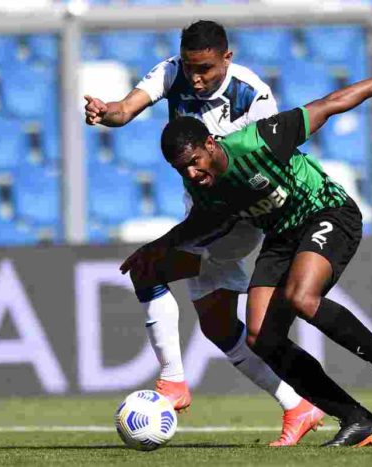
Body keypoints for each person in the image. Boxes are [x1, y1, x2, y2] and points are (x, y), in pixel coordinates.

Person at [120, 43, 372, 447]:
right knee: (260, 337)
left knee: (302, 298)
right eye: (181, 169)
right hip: (282, 235)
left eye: (195, 161)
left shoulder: (260, 141)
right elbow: (197, 226)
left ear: (212, 144)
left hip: (327, 212)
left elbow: (330, 103)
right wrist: (155, 249)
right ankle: (355, 418)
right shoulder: (203, 190)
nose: (192, 172)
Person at [84, 20, 323, 446]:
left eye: (206, 69)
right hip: (203, 212)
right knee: (217, 326)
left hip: (239, 215)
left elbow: (265, 164)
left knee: (148, 269)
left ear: (227, 59)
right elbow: (126, 107)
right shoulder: (173, 72)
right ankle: (298, 407)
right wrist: (107, 114)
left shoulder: (253, 95)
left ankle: (174, 382)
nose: (196, 78)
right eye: (191, 67)